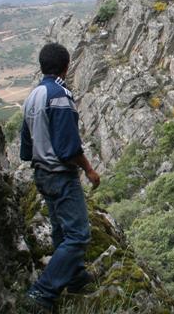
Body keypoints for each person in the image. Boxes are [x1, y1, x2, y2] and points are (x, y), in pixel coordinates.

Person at [20, 42, 101, 312]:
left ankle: (75, 278)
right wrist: (89, 169)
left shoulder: (32, 97)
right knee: (78, 235)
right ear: (66, 67)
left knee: (60, 231)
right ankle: (41, 292)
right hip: (60, 175)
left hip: (41, 174)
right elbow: (69, 148)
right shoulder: (60, 95)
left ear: (43, 66)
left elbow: (25, 148)